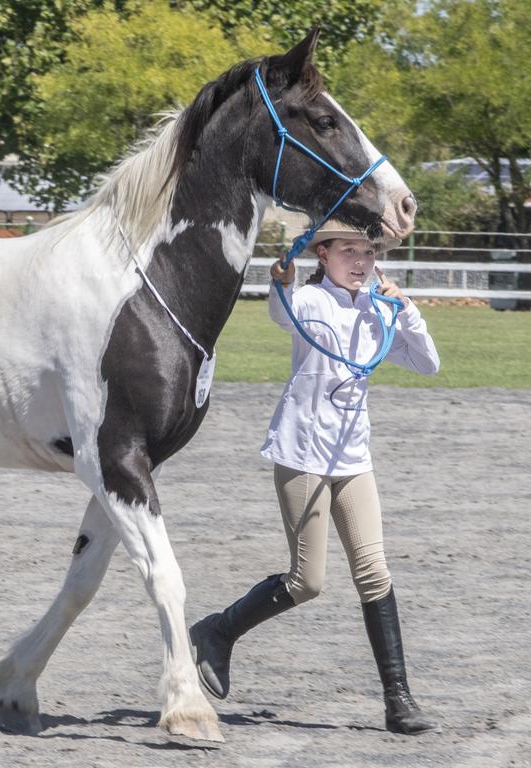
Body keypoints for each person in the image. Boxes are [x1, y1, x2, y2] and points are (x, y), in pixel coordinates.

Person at [190, 221, 441, 735]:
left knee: (374, 572)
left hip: (354, 459)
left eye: (368, 252)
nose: (360, 261)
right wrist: (281, 278)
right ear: (322, 255)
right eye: (348, 251)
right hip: (303, 453)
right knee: (309, 581)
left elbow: (428, 364)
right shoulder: (309, 301)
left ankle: (398, 700)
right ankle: (218, 630)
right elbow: (282, 311)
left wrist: (407, 310)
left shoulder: (379, 312)